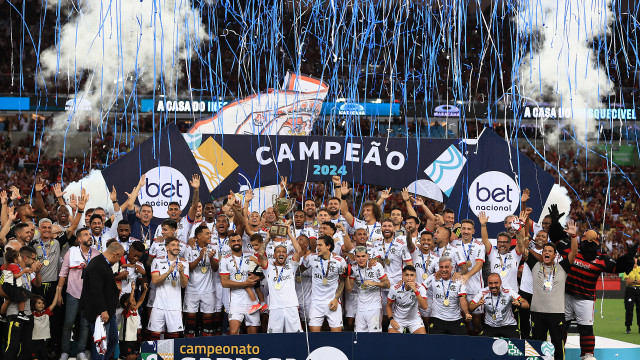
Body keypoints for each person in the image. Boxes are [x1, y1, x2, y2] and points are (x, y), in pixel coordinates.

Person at [525, 220, 578, 360]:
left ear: (555, 255)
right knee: (536, 346)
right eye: (545, 251)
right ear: (542, 254)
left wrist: (573, 236)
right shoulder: (535, 265)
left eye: (550, 251)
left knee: (557, 346)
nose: (547, 253)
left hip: (556, 314)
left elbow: (573, 253)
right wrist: (521, 230)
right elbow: (523, 248)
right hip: (537, 313)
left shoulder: (562, 267)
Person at [58, 227, 101, 360]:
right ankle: (65, 351)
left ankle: (80, 351)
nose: (90, 236)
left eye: (90, 234)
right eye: (86, 234)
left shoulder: (97, 254)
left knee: (85, 324)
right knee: (68, 323)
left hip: (89, 295)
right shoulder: (72, 252)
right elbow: (63, 273)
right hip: (73, 292)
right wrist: (59, 293)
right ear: (79, 239)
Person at [80, 241, 125, 360]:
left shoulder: (104, 263)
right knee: (100, 344)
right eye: (120, 256)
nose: (119, 259)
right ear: (115, 254)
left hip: (109, 311)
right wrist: (103, 310)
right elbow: (96, 291)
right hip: (100, 313)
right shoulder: (97, 265)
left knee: (113, 340)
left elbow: (103, 285)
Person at [257, 222, 304, 333]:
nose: (281, 253)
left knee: (295, 338)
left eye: (284, 252)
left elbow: (299, 251)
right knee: (274, 338)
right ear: (274, 255)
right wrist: (268, 238)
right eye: (278, 252)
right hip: (275, 308)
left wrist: (289, 234)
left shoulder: (291, 266)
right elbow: (260, 254)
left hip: (291, 307)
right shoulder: (268, 268)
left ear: (287, 255)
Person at [3, 244, 43, 360]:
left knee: (26, 347)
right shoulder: (10, 269)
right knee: (13, 346)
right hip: (14, 313)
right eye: (33, 258)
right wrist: (16, 296)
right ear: (25, 258)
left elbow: (38, 285)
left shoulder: (29, 271)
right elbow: (1, 290)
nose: (34, 261)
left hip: (28, 314)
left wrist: (38, 272)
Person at [302, 235, 347, 332]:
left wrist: (336, 299)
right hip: (315, 303)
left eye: (320, 245)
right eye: (317, 245)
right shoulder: (311, 258)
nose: (317, 247)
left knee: (337, 337)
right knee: (314, 337)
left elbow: (342, 281)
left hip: (332, 302)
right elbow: (301, 268)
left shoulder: (340, 261)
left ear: (328, 246)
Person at [148, 236, 189, 339]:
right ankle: (154, 355)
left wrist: (181, 272)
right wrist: (168, 272)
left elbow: (184, 285)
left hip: (174, 306)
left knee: (173, 338)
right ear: (167, 247)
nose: (176, 247)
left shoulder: (184, 262)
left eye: (178, 245)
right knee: (154, 336)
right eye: (173, 245)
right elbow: (155, 280)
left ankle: (169, 355)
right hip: (159, 305)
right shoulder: (157, 261)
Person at [220, 232, 261, 334]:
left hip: (252, 302)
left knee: (253, 335)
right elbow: (224, 282)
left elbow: (262, 272)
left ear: (242, 242)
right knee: (233, 333)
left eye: (238, 240)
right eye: (233, 241)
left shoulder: (250, 256)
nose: (236, 243)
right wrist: (245, 284)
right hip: (235, 301)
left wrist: (258, 277)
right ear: (229, 244)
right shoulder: (225, 260)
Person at [451, 219, 486, 335]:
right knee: (462, 317)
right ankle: (466, 341)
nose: (466, 231)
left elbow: (479, 265)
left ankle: (478, 341)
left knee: (476, 318)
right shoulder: (454, 243)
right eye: (464, 228)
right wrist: (453, 229)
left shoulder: (479, 245)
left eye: (469, 229)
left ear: (473, 231)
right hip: (459, 287)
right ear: (460, 230)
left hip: (475, 287)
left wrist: (466, 275)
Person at [183, 225, 218, 337]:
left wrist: (211, 257)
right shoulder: (189, 248)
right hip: (192, 290)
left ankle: (207, 350)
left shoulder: (213, 248)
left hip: (208, 290)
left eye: (210, 233)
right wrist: (199, 257)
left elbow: (215, 268)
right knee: (190, 327)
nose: (210, 235)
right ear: (198, 236)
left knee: (208, 327)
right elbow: (188, 268)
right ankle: (189, 349)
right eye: (207, 233)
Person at [469, 273, 529, 338]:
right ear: (487, 283)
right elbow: (470, 307)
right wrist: (477, 304)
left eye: (496, 283)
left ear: (500, 283)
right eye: (490, 283)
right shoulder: (483, 292)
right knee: (483, 344)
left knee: (516, 345)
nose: (493, 286)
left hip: (508, 325)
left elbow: (526, 304)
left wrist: (519, 304)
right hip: (490, 326)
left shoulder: (508, 291)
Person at [345, 246, 389, 332]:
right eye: (358, 256)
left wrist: (374, 283)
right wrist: (346, 275)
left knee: (374, 336)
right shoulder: (354, 268)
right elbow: (349, 289)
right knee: (359, 336)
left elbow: (387, 284)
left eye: (363, 256)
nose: (361, 259)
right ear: (354, 257)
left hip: (374, 307)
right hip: (360, 308)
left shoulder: (376, 266)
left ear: (367, 256)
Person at [480, 211, 526, 292]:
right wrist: (483, 225)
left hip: (513, 294)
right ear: (497, 243)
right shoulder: (492, 253)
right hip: (496, 293)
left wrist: (520, 228)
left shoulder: (515, 254)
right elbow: (485, 240)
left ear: (509, 244)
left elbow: (521, 242)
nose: (502, 244)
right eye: (500, 242)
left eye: (505, 242)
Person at [425, 256, 472, 335]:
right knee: (433, 344)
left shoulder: (459, 280)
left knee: (463, 343)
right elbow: (421, 288)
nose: (443, 270)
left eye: (446, 267)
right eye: (441, 267)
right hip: (437, 318)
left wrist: (467, 313)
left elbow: (462, 299)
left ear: (451, 268)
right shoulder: (433, 277)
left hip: (455, 318)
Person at [386, 265, 428, 334]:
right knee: (392, 340)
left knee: (422, 340)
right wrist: (391, 319)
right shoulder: (394, 288)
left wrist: (415, 290)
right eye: (406, 275)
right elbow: (388, 305)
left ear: (415, 276)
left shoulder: (420, 288)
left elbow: (425, 307)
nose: (409, 278)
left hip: (414, 320)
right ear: (402, 276)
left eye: (412, 275)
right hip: (398, 319)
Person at [1, 247, 33, 320]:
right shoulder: (14, 266)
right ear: (15, 260)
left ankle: (2, 315)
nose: (20, 257)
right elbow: (16, 275)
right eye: (19, 256)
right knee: (23, 297)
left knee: (7, 301)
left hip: (6, 286)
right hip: (12, 286)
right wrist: (24, 271)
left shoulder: (5, 265)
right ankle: (21, 313)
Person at [31, 287, 63, 360]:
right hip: (34, 342)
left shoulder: (46, 313)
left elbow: (54, 304)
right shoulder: (31, 315)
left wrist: (57, 291)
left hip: (44, 342)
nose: (41, 305)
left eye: (43, 303)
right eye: (39, 303)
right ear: (34, 304)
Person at [119, 283, 149, 360]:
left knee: (134, 357)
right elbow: (129, 301)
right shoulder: (126, 312)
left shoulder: (135, 310)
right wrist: (132, 289)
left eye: (134, 300)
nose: (135, 301)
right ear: (126, 304)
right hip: (126, 340)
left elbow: (141, 300)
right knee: (129, 357)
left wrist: (145, 291)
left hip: (133, 339)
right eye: (133, 300)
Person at [624, 254, 640, 334]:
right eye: (633, 258)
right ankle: (628, 327)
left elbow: (630, 281)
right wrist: (636, 282)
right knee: (629, 309)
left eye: (636, 258)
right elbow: (627, 281)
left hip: (639, 291)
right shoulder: (627, 269)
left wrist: (632, 281)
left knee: (639, 309)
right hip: (630, 291)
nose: (635, 260)